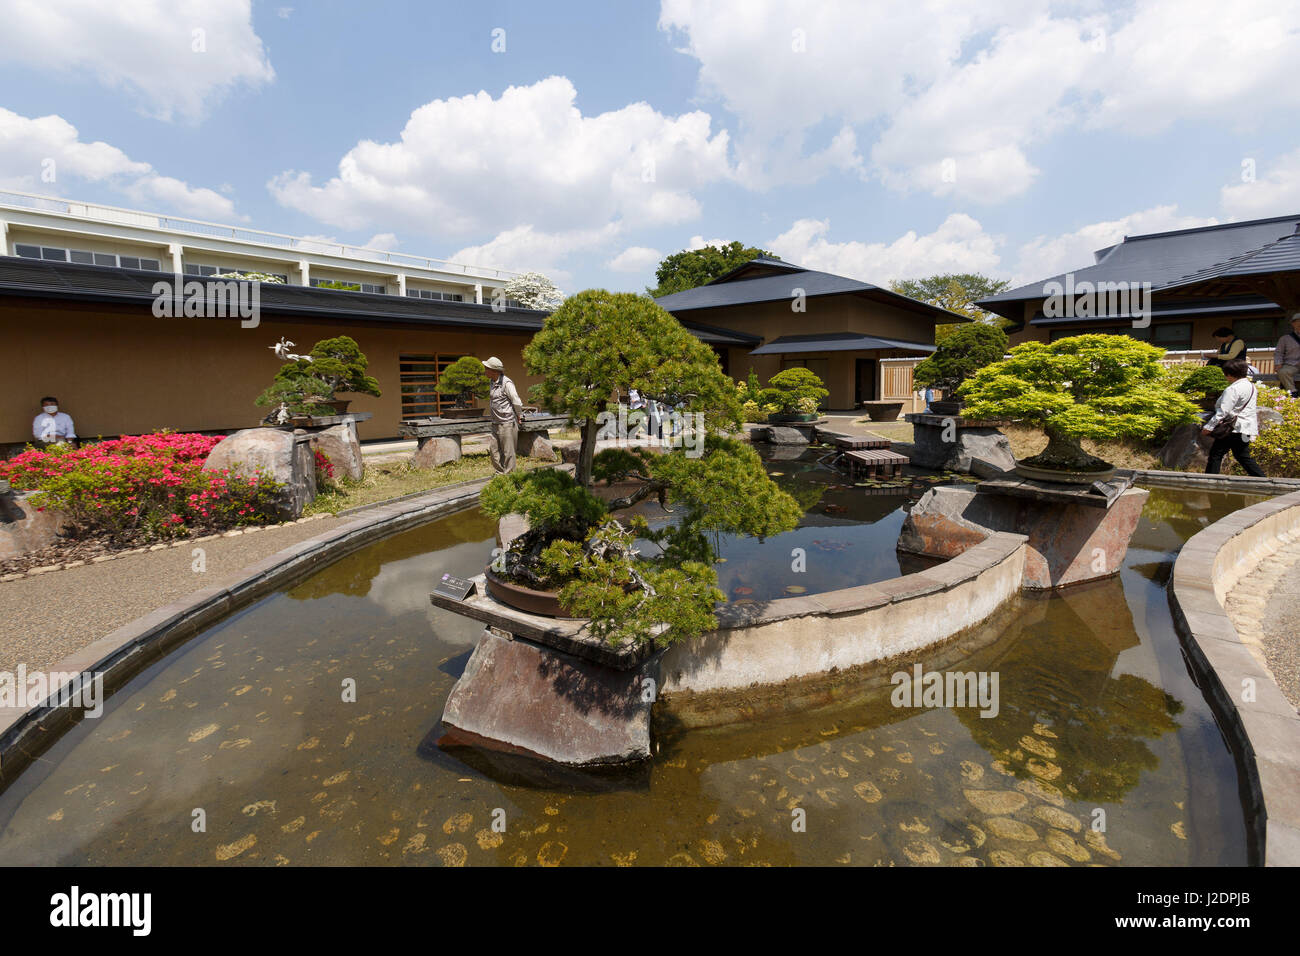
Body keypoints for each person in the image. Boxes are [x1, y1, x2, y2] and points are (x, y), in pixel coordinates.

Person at [1202, 358, 1266, 477]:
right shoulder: (1251, 387)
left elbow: (1223, 411)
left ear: (1230, 374)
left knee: (1216, 454)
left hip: (1232, 428)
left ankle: (1210, 480)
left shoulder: (1232, 389)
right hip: (1247, 428)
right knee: (1243, 456)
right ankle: (1261, 478)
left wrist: (1209, 427)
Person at [482, 357, 522, 474]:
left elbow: (516, 401)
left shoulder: (507, 383)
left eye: (487, 368)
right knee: (494, 450)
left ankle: (510, 476)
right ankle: (500, 473)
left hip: (507, 423)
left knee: (508, 452)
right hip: (495, 422)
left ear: (494, 371)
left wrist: (519, 415)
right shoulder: (492, 382)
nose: (485, 370)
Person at [1276, 313, 1300, 397]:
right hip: (1291, 365)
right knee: (1283, 372)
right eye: (1297, 321)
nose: (1299, 323)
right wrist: (1278, 363)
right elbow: (1278, 352)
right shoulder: (1285, 338)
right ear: (1293, 324)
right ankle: (1293, 392)